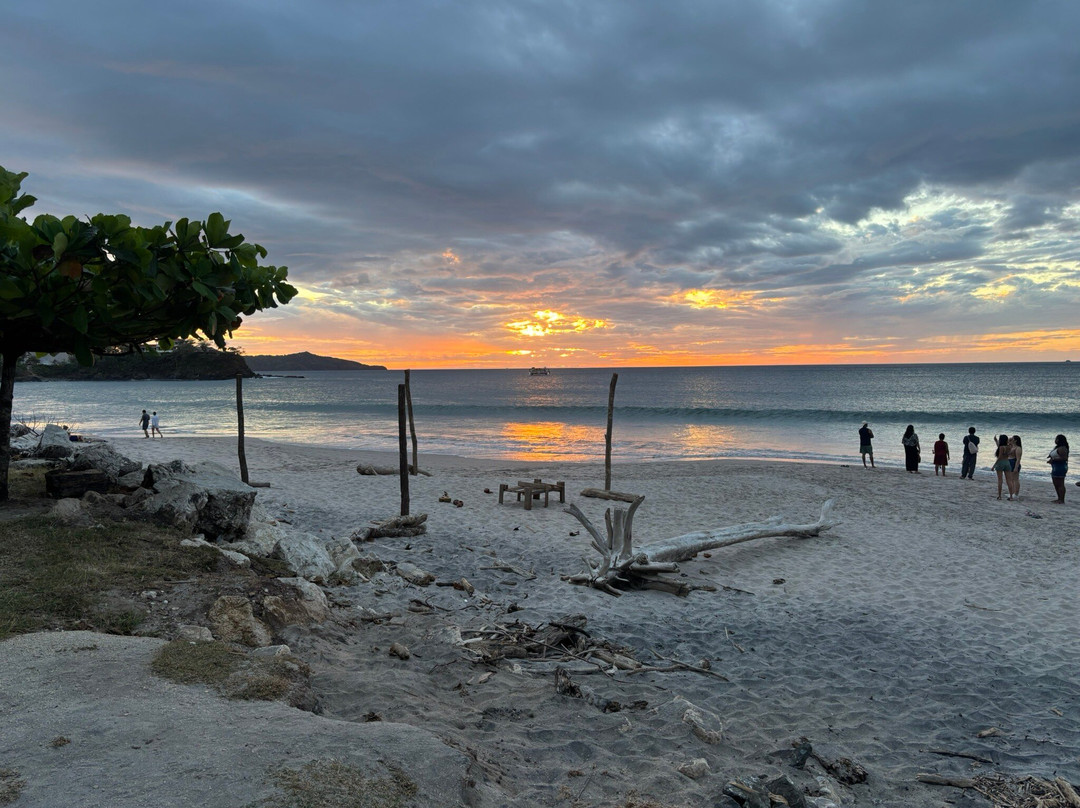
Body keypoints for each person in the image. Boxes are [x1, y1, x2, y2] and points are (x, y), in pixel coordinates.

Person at [1047, 434, 1069, 504]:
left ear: (1059, 440)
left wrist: (1053, 459)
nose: (1055, 440)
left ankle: (1061, 499)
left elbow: (1064, 458)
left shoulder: (1062, 448)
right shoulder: (1058, 447)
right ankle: (1059, 498)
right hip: (1056, 467)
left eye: (1056, 439)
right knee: (1056, 483)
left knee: (1060, 483)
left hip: (1060, 467)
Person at [991, 434, 1011, 500]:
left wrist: (994, 465)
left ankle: (999, 496)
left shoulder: (1001, 447)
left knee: (1000, 480)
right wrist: (996, 440)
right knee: (1008, 480)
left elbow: (999, 457)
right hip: (1007, 462)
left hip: (1000, 463)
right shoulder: (1009, 447)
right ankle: (1011, 496)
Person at [1004, 435, 1023, 501]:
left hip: (1014, 463)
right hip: (1009, 462)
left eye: (1012, 439)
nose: (1011, 439)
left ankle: (1016, 494)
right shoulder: (1011, 446)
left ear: (1015, 440)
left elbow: (1018, 459)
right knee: (1011, 479)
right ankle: (1012, 492)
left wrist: (1016, 467)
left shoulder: (1018, 448)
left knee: (1015, 479)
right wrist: (1009, 441)